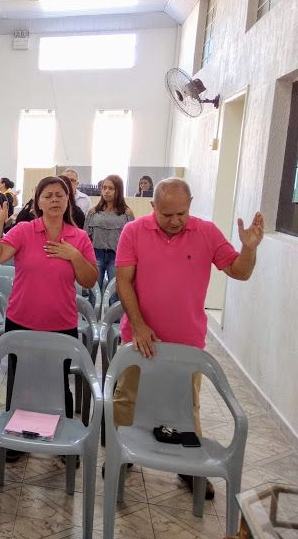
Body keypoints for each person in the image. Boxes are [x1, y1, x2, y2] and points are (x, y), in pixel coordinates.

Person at [113, 178, 264, 499]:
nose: (175, 221)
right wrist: (138, 325)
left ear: (190, 205)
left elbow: (240, 271)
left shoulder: (206, 232)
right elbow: (123, 281)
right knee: (128, 402)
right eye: (166, 215)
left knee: (184, 408)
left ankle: (189, 465)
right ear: (153, 206)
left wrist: (249, 248)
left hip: (187, 345)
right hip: (139, 340)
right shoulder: (134, 232)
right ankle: (121, 457)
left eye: (181, 213)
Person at [0, 176, 98, 460]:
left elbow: (89, 279)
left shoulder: (78, 237)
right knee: (22, 383)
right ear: (38, 202)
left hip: (61, 325)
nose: (54, 200)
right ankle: (16, 439)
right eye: (48, 195)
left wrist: (74, 255)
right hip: (21, 322)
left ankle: (64, 442)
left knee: (58, 383)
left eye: (60, 194)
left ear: (68, 200)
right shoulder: (24, 230)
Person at [84, 175, 134, 303]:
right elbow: (86, 237)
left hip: (117, 257)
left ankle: (114, 316)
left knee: (115, 293)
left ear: (118, 191)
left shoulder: (127, 213)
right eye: (104, 188)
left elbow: (132, 240)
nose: (106, 191)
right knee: (94, 293)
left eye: (111, 188)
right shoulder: (93, 212)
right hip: (96, 254)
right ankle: (92, 316)